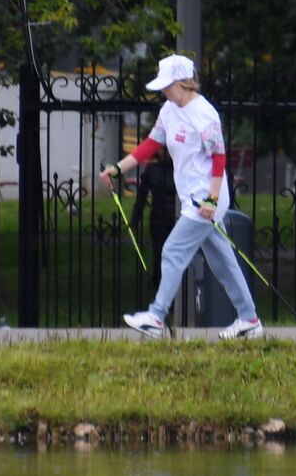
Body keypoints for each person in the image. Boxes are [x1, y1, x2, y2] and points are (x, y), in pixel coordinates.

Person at [99, 54, 263, 339]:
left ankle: (157, 316)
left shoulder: (204, 113)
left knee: (173, 250)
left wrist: (212, 199)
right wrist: (117, 168)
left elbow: (219, 157)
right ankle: (249, 320)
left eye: (168, 85)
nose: (164, 90)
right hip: (192, 197)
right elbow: (151, 145)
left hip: (206, 198)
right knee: (223, 262)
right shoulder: (169, 110)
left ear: (185, 83)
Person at [130, 144, 177, 294]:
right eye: (161, 149)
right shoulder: (152, 170)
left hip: (176, 219)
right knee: (159, 254)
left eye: (167, 149)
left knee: (175, 256)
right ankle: (159, 287)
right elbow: (142, 197)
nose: (164, 153)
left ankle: (174, 290)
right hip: (158, 218)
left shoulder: (179, 168)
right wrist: (135, 218)